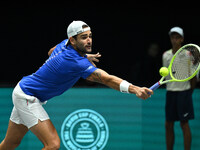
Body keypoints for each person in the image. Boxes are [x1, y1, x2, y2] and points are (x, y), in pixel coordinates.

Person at [0, 20, 153, 150]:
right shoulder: (76, 62)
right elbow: (107, 79)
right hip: (27, 96)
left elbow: (50, 52)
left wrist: (85, 56)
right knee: (52, 145)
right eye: (84, 37)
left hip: (23, 89)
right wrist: (135, 89)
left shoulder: (64, 44)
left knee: (11, 143)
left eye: (90, 36)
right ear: (72, 40)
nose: (89, 40)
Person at [163, 27, 196, 150]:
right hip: (170, 93)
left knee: (184, 124)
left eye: (177, 37)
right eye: (172, 37)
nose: (174, 40)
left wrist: (188, 92)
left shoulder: (188, 55)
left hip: (184, 93)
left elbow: (193, 77)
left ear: (182, 39)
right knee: (168, 124)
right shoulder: (165, 55)